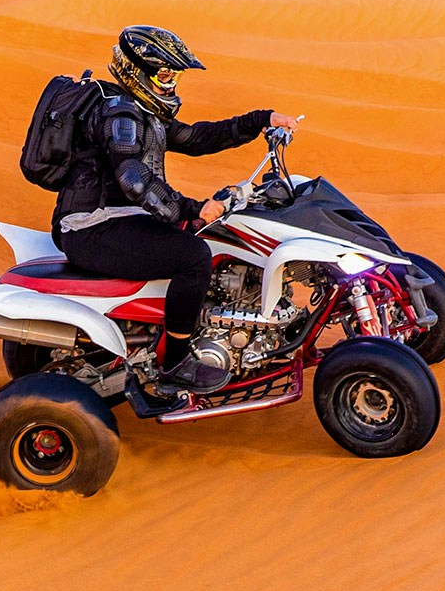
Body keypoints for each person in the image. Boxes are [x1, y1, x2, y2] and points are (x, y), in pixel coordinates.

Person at [51, 25, 299, 393]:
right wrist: (190, 208)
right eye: (166, 74)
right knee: (193, 256)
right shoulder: (120, 116)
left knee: (210, 238)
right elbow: (133, 179)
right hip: (92, 226)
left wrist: (259, 120)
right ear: (138, 71)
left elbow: (196, 138)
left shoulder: (142, 112)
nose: (172, 83)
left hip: (119, 219)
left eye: (175, 75)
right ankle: (175, 363)